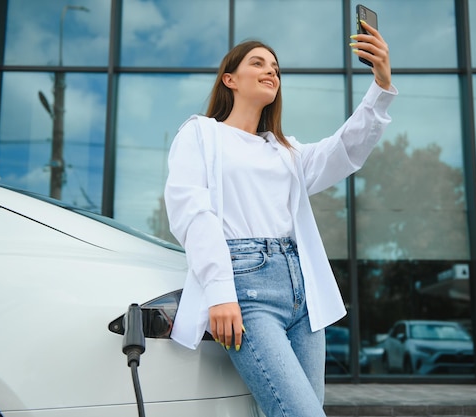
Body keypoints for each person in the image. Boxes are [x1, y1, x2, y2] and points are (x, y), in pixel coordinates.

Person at [165, 20, 396, 417]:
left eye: (275, 67)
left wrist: (380, 85)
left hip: (303, 292)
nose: (271, 71)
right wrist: (220, 291)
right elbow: (192, 213)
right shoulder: (201, 134)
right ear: (229, 79)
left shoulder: (285, 151)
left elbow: (346, 150)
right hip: (247, 288)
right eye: (258, 63)